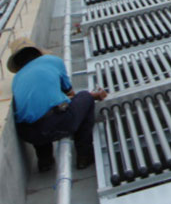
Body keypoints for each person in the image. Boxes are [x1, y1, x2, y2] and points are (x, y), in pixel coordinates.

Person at [7, 37, 107, 172]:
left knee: (38, 115)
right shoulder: (53, 61)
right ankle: (84, 155)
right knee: (85, 97)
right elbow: (70, 93)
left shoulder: (17, 79)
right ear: (37, 52)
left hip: (29, 134)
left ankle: (45, 161)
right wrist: (93, 95)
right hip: (58, 124)